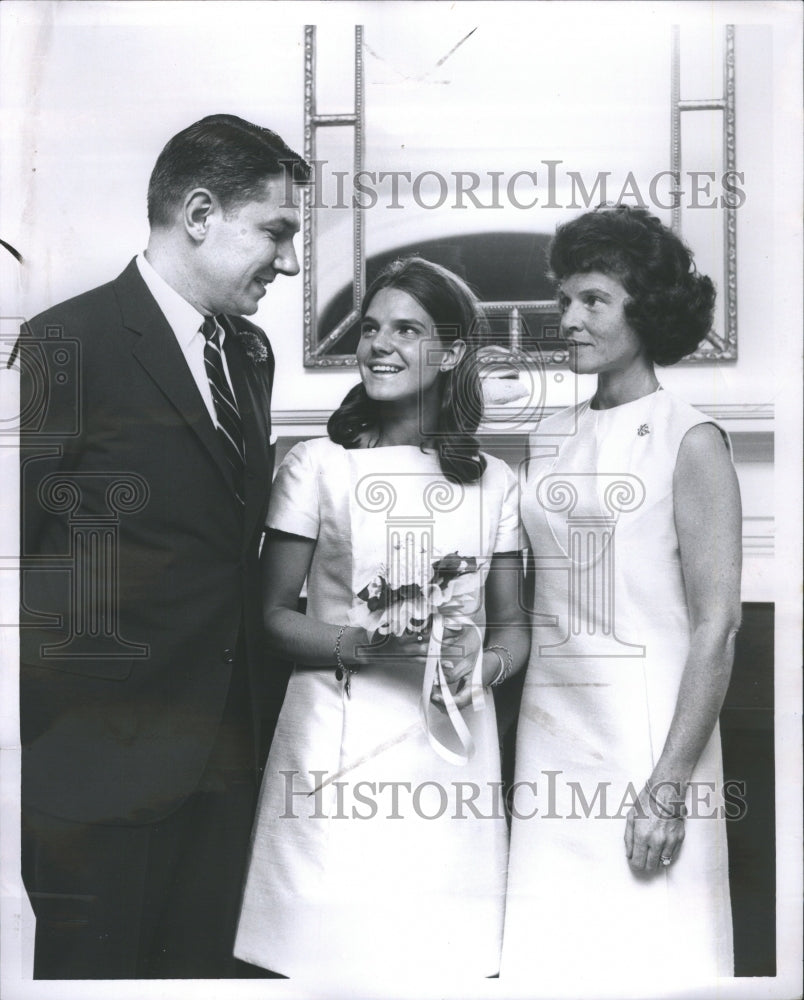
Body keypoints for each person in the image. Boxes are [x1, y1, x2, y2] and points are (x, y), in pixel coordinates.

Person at [18, 114, 310, 979]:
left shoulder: (249, 354)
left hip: (229, 763)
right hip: (101, 778)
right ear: (198, 212)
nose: (289, 263)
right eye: (277, 232)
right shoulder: (66, 344)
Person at [234, 257, 529, 985]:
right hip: (334, 739)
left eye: (407, 328)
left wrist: (478, 670)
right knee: (325, 956)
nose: (379, 344)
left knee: (434, 956)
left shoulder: (495, 482)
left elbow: (514, 630)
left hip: (448, 747)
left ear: (453, 352)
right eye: (369, 328)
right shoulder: (316, 466)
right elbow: (269, 617)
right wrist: (357, 643)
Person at [501, 205, 742, 989]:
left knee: (651, 953)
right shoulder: (552, 435)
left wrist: (667, 787)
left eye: (593, 300)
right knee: (555, 954)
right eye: (564, 300)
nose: (568, 319)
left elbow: (718, 627)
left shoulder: (690, 436)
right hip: (553, 730)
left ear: (646, 308)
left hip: (651, 740)